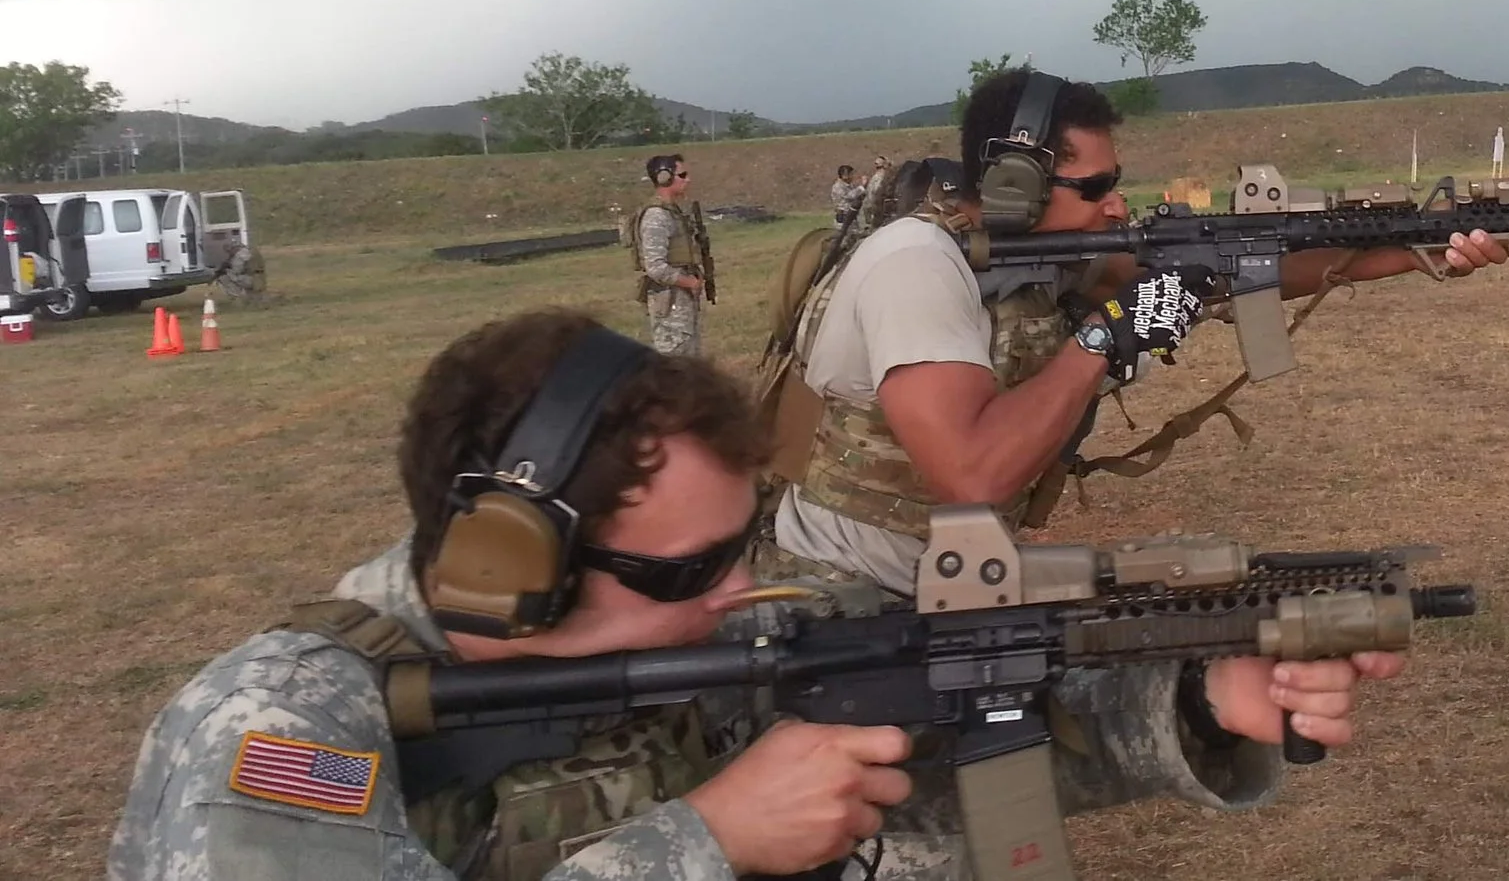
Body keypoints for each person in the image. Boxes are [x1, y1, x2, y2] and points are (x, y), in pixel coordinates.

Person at [108, 310, 1405, 880]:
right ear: (509, 569)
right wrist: (709, 838)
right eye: (688, 568)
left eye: (746, 540)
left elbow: (961, 728)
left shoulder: (746, 629)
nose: (744, 590)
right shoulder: (278, 739)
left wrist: (1200, 690)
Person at [767, 66, 1509, 598]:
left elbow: (1237, 273)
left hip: (941, 573)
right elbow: (972, 474)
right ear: (1014, 185)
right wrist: (1104, 338)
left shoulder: (1042, 255)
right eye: (1093, 187)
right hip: (843, 591)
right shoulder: (915, 264)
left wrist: (1424, 248)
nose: (1113, 204)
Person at [635, 154, 712, 357]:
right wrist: (689, 282)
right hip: (670, 300)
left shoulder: (672, 212)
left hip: (679, 299)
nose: (688, 180)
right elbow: (655, 267)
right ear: (664, 178)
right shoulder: (656, 216)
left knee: (689, 360)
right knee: (675, 364)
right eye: (682, 175)